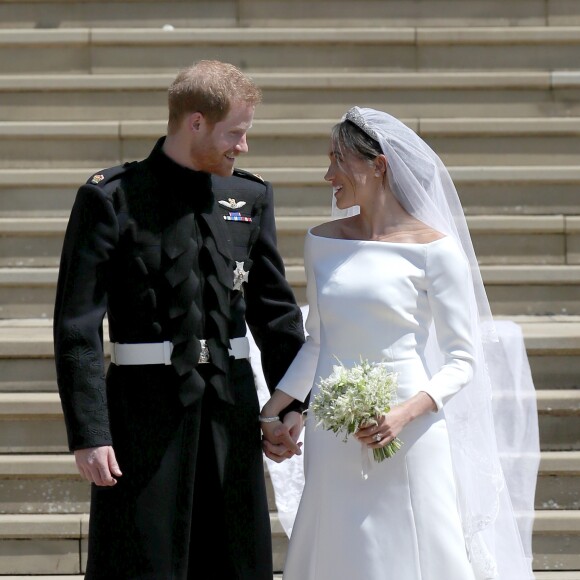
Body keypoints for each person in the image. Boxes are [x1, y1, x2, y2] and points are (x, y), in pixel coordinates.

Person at [260, 107, 539, 579]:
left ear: (378, 165)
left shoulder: (435, 249)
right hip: (333, 430)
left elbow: (462, 359)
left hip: (409, 428)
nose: (328, 174)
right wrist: (273, 411)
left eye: (338, 160)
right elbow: (317, 344)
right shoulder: (321, 241)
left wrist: (403, 414)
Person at [53, 59, 305, 580]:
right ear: (195, 123)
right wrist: (89, 433)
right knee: (142, 562)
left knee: (233, 562)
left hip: (230, 416)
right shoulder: (111, 197)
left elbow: (275, 314)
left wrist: (291, 404)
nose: (243, 146)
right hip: (142, 417)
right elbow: (77, 327)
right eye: (235, 133)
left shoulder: (250, 197)